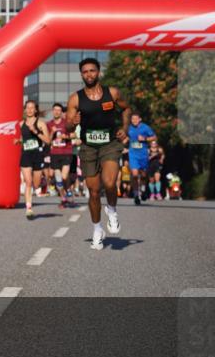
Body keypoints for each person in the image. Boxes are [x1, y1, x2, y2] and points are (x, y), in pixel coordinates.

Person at [65, 57, 130, 250]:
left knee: (110, 183)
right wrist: (73, 122)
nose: (89, 75)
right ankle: (97, 229)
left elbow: (126, 109)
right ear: (81, 75)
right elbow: (68, 125)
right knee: (93, 192)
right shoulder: (75, 98)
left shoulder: (112, 93)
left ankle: (112, 210)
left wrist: (125, 128)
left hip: (110, 143)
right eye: (85, 72)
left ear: (98, 72)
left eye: (92, 71)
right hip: (88, 147)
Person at [14, 100, 50, 219]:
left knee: (36, 183)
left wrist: (36, 132)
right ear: (25, 110)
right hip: (26, 155)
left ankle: (42, 182)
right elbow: (23, 138)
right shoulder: (20, 124)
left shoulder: (41, 123)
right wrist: (18, 141)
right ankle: (29, 208)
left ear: (35, 110)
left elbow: (48, 140)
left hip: (38, 155)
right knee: (28, 182)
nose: (29, 110)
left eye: (32, 108)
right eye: (27, 108)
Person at [46, 102, 75, 208]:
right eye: (55, 110)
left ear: (61, 112)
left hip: (66, 152)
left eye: (59, 110)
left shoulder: (66, 123)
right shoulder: (48, 124)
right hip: (55, 154)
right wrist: (52, 133)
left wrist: (65, 136)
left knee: (64, 176)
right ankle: (63, 198)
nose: (57, 112)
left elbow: (74, 135)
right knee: (58, 179)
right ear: (52, 111)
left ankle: (68, 190)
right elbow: (48, 141)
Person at [125, 111, 156, 205]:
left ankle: (142, 191)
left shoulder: (145, 128)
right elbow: (125, 137)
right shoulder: (129, 128)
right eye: (132, 119)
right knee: (134, 175)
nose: (134, 120)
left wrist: (145, 139)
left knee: (143, 175)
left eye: (136, 119)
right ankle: (135, 195)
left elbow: (154, 137)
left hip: (143, 155)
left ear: (140, 119)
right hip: (133, 154)